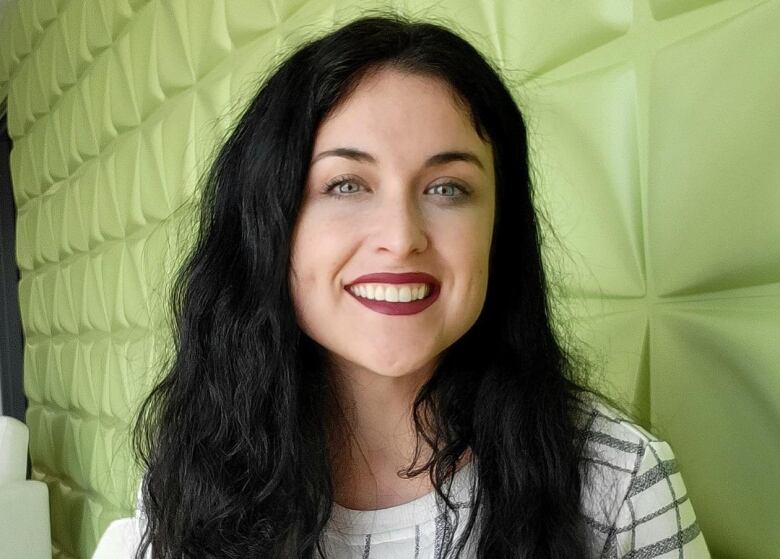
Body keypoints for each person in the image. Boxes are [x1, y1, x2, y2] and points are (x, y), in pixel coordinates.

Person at [93, 11, 711, 559]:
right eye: (346, 184)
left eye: (448, 189)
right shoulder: (195, 473)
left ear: (500, 229)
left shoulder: (619, 483)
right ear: (269, 225)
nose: (401, 235)